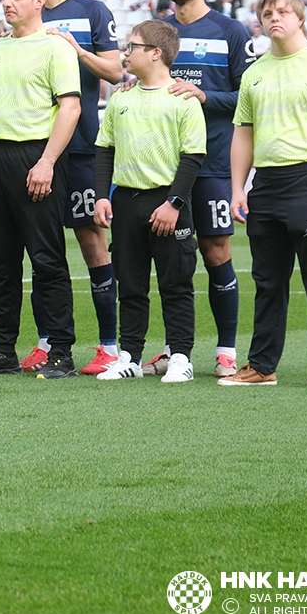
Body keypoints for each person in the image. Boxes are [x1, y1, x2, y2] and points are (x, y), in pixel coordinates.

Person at [223, 0, 307, 390]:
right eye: (267, 13)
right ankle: (262, 365)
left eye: (282, 11)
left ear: (300, 18)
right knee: (267, 281)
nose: (274, 18)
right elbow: (243, 134)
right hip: (266, 185)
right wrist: (238, 189)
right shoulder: (254, 73)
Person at [0, 0, 81, 379]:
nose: (7, 2)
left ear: (38, 0)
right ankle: (2, 350)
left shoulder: (56, 48)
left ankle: (61, 352)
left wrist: (47, 161)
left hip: (37, 157)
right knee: (0, 262)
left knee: (47, 260)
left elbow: (71, 107)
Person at [16, 0, 123, 373]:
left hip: (80, 150)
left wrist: (75, 49)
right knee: (41, 248)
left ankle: (110, 346)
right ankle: (46, 342)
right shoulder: (23, 15)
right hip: (33, 150)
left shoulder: (91, 10)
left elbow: (116, 70)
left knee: (92, 243)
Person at [155, 0, 254, 377]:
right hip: (165, 166)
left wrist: (205, 96)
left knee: (216, 253)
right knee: (170, 258)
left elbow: (251, 97)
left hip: (213, 164)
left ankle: (227, 350)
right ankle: (175, 349)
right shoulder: (158, 32)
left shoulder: (231, 32)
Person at [92, 21, 205, 382]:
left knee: (176, 283)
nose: (125, 53)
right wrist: (100, 196)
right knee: (130, 283)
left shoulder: (183, 100)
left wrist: (173, 203)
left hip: (168, 202)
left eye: (132, 46)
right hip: (126, 201)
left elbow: (193, 157)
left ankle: (181, 357)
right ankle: (130, 356)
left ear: (155, 53)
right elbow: (104, 151)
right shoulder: (121, 97)